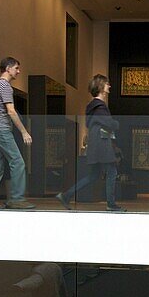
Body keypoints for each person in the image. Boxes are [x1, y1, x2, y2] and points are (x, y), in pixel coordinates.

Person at [56, 74, 125, 212]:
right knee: (112, 172)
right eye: (107, 84)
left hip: (96, 143)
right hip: (102, 143)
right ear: (100, 86)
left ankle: (66, 195)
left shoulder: (92, 106)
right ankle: (111, 204)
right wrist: (116, 123)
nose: (109, 86)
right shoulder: (100, 106)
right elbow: (110, 124)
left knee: (93, 175)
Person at [0, 57, 34, 210]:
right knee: (18, 162)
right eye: (16, 68)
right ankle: (17, 198)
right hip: (2, 129)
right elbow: (11, 111)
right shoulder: (4, 86)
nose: (18, 71)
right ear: (8, 68)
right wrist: (24, 132)